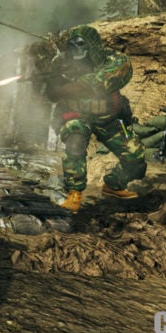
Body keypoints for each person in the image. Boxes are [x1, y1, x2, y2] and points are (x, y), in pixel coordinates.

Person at [43, 25, 146, 212]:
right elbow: (51, 92)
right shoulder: (61, 62)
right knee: (75, 141)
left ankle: (114, 184)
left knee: (135, 158)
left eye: (81, 44)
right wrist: (50, 85)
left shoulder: (116, 60)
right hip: (78, 115)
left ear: (92, 44)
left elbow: (94, 85)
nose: (76, 49)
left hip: (110, 118)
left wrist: (62, 89)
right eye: (72, 44)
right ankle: (74, 193)